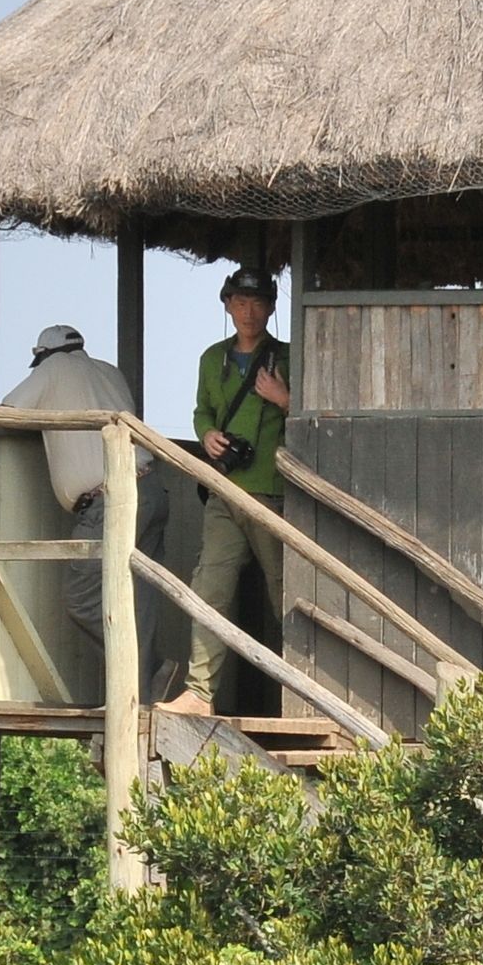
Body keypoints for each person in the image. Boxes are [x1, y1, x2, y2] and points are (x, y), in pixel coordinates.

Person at [166, 266, 290, 715]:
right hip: (224, 490)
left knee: (286, 592)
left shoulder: (290, 358)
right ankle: (199, 693)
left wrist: (283, 399)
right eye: (240, 302)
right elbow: (202, 411)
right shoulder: (210, 358)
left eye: (257, 303)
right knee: (209, 587)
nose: (249, 312)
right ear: (227, 305)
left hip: (271, 495)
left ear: (272, 307)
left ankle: (309, 693)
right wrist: (207, 435)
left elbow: (318, 416)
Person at [0, 320, 143, 642]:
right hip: (148, 489)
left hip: (108, 502)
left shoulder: (53, 367)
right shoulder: (109, 370)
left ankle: (130, 683)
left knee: (83, 601)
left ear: (43, 355)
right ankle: (151, 681)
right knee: (139, 600)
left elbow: (7, 412)